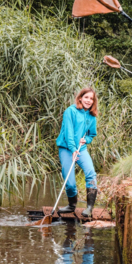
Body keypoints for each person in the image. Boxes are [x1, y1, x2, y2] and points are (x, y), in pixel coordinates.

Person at [56, 88, 98, 217]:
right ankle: (71, 205)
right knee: (70, 182)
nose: (88, 101)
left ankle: (89, 207)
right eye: (86, 97)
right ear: (80, 98)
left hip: (81, 149)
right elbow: (68, 133)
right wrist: (73, 149)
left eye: (91, 99)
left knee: (91, 173)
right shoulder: (70, 111)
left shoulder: (91, 116)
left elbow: (92, 134)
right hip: (66, 149)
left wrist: (86, 140)